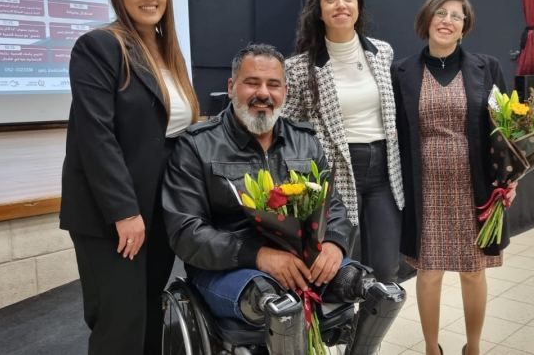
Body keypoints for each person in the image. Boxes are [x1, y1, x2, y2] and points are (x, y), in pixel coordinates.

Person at [162, 44, 404, 354]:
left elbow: (334, 206)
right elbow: (185, 232)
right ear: (232, 86)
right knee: (277, 305)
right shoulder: (196, 146)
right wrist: (258, 255)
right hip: (229, 269)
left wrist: (335, 243)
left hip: (303, 261)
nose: (263, 93)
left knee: (380, 292)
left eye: (273, 84)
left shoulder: (304, 140)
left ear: (285, 91)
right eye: (252, 82)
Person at [59, 0, 200, 354]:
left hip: (159, 209)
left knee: (150, 313)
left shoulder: (169, 54)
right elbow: (96, 136)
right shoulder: (99, 46)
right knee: (120, 323)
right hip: (113, 214)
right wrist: (124, 212)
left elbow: (177, 132)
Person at [392, 0, 516, 355]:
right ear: (427, 20)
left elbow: (505, 130)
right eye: (440, 13)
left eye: (456, 16)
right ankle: (432, 348)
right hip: (424, 187)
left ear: (464, 27)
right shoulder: (402, 72)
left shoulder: (487, 67)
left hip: (474, 185)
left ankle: (473, 347)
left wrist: (510, 179)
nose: (447, 20)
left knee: (473, 271)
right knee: (428, 272)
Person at [283, 0, 405, 283]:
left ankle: (375, 318)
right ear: (318, 10)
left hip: (383, 172)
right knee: (337, 272)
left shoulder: (382, 53)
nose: (341, 4)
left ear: (358, 6)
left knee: (385, 270)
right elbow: (286, 127)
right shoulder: (299, 68)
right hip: (333, 173)